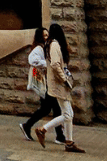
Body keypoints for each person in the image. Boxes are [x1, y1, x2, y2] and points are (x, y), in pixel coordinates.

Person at [34, 23, 85, 153]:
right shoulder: (55, 45)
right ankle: (43, 130)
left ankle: (68, 142)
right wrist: (64, 79)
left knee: (68, 114)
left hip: (56, 84)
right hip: (59, 85)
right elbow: (56, 65)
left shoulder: (49, 44)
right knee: (67, 114)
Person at [19, 27, 66, 144]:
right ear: (40, 37)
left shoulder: (47, 47)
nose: (47, 37)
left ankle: (27, 125)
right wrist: (47, 64)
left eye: (47, 35)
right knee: (56, 109)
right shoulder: (39, 48)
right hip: (46, 84)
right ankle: (59, 136)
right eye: (44, 35)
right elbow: (32, 60)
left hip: (49, 83)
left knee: (46, 109)